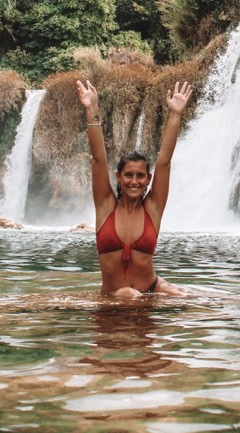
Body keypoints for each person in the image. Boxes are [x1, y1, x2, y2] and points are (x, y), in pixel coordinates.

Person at [76, 78, 192, 298]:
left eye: (140, 176)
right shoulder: (105, 206)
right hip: (118, 294)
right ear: (118, 177)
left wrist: (175, 113)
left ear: (148, 179)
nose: (134, 181)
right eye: (128, 175)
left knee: (185, 296)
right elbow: (98, 160)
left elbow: (164, 162)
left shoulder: (153, 209)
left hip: (152, 286)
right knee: (130, 295)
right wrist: (91, 108)